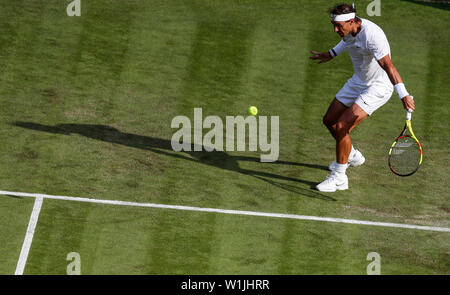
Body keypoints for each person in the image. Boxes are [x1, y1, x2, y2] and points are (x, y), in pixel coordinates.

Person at [309, 3, 415, 192]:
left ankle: (340, 177)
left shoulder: (373, 36)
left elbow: (389, 66)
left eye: (338, 26)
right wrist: (331, 54)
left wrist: (403, 94)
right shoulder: (349, 31)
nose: (335, 30)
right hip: (358, 82)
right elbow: (347, 43)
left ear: (351, 21)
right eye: (333, 25)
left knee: (342, 126)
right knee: (329, 120)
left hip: (378, 88)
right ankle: (352, 155)